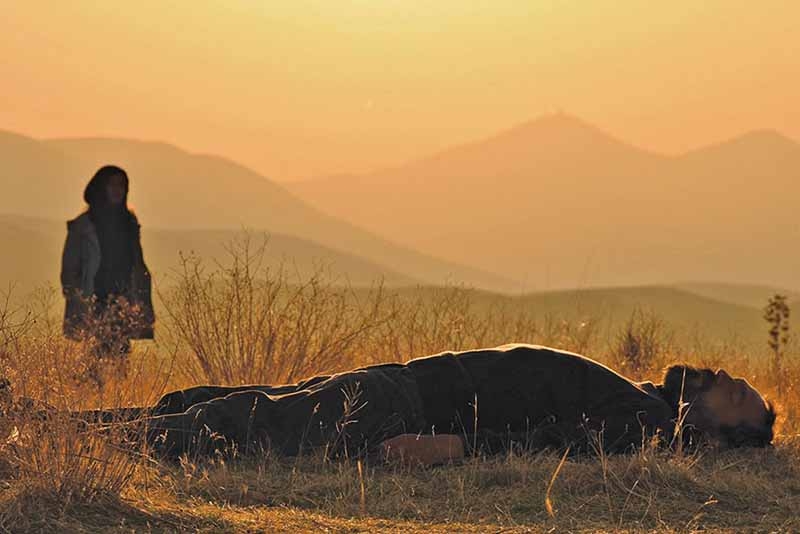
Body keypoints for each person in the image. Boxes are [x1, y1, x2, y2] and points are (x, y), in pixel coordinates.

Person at [140, 344, 775, 463]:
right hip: (407, 383)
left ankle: (90, 442)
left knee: (235, 423)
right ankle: (94, 434)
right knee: (219, 405)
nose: (729, 376)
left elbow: (553, 445)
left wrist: (452, 445)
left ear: (719, 435)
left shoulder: (645, 427)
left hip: (408, 405)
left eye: (739, 395)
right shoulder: (647, 402)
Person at [60, 166, 154, 372]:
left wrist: (140, 300)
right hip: (93, 299)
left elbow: (138, 265)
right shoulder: (83, 226)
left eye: (121, 185)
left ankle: (117, 391)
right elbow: (70, 268)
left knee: (121, 357)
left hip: (123, 300)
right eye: (112, 184)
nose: (117, 190)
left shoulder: (129, 224)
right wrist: (78, 299)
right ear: (101, 188)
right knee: (95, 358)